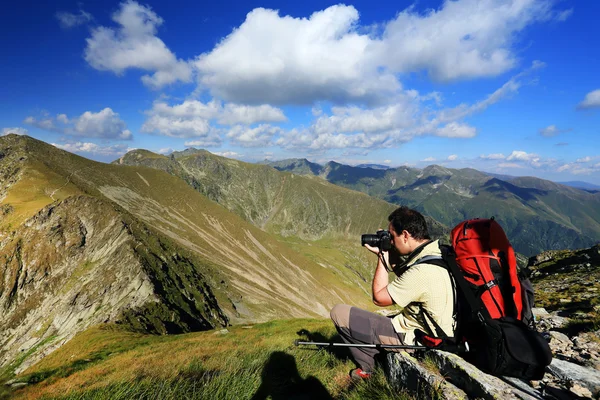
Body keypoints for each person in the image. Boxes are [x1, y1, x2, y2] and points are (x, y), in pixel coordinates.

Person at [330, 206, 455, 381]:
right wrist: (391, 257)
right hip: (439, 329)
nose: (391, 241)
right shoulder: (437, 254)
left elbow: (379, 298)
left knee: (339, 312)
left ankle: (368, 369)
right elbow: (409, 280)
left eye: (392, 236)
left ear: (405, 235)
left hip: (418, 337)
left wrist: (382, 256)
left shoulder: (422, 272)